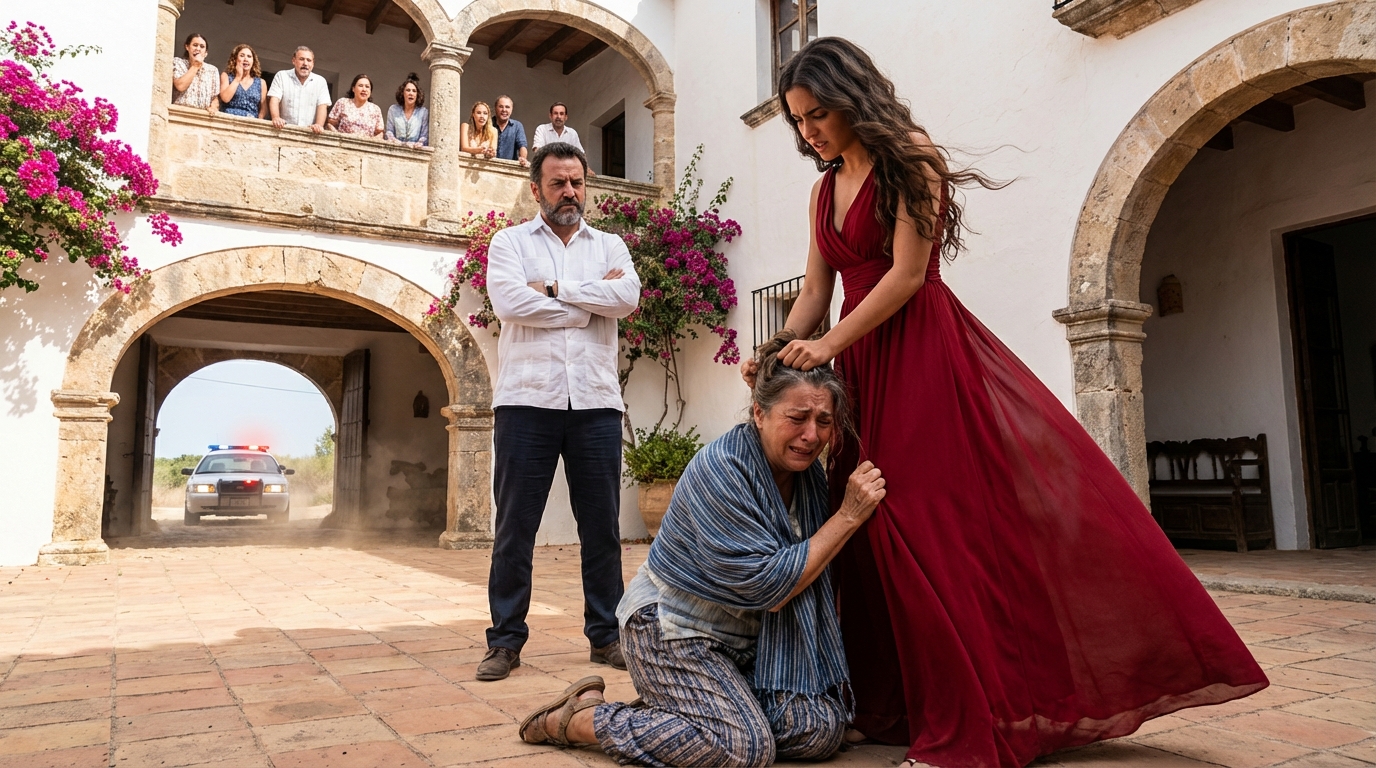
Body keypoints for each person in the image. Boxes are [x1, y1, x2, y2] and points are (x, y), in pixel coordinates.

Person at [741, 37, 1269, 767]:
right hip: (856, 372)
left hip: (921, 351)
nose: (809, 133)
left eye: (818, 114)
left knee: (922, 519)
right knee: (863, 525)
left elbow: (906, 275)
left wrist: (825, 347)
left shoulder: (912, 159)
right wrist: (776, 352)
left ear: (852, 96)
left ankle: (973, 712)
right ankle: (893, 704)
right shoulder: (822, 187)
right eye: (798, 122)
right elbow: (812, 294)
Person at [517, 335, 887, 767]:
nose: (812, 435)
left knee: (815, 732)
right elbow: (768, 586)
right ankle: (584, 718)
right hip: (671, 628)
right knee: (744, 747)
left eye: (824, 421)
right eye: (798, 417)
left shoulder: (807, 478)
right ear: (759, 413)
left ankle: (696, 708)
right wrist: (846, 517)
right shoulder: (722, 468)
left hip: (746, 639)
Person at [478, 142, 641, 682]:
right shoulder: (509, 243)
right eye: (557, 183)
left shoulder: (611, 244)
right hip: (528, 401)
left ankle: (605, 637)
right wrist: (588, 306)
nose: (569, 192)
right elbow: (508, 303)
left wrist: (553, 289)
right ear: (536, 190)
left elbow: (628, 298)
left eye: (576, 182)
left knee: (601, 528)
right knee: (514, 528)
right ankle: (504, 642)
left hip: (594, 403)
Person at [268, 46, 330, 133]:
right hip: (284, 130)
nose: (305, 63)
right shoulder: (282, 76)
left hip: (309, 133)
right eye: (301, 59)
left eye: (309, 60)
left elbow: (322, 106)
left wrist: (319, 125)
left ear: (313, 63)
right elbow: (274, 99)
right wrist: (276, 117)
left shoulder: (320, 81)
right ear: (293, 60)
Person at [171, 33, 219, 114]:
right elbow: (180, 86)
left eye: (202, 46)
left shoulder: (213, 70)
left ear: (206, 52)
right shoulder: (178, 62)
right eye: (195, 45)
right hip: (181, 113)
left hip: (203, 116)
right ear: (187, 47)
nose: (198, 49)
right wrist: (195, 66)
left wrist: (213, 107)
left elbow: (214, 97)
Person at [217, 44, 266, 120]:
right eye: (242, 55)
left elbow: (263, 108)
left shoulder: (261, 82)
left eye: (249, 56)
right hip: (228, 120)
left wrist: (259, 123)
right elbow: (225, 98)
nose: (246, 59)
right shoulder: (226, 76)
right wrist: (238, 77)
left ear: (253, 61)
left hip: (251, 122)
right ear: (235, 59)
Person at [327, 74, 383, 138]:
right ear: (353, 89)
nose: (364, 89)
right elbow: (330, 124)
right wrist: (339, 138)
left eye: (367, 87)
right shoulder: (343, 103)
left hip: (366, 147)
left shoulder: (375, 109)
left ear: (370, 91)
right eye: (360, 86)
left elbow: (380, 133)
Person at [385, 73, 429, 147]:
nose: (411, 93)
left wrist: (418, 144)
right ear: (403, 93)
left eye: (414, 91)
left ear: (417, 94)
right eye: (408, 90)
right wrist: (398, 143)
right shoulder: (393, 110)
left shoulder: (423, 112)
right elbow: (389, 132)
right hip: (396, 149)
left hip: (415, 151)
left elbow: (424, 136)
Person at [491, 94, 529, 167]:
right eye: (501, 106)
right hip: (489, 167)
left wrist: (523, 159)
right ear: (495, 108)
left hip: (508, 169)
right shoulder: (488, 124)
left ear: (511, 109)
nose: (504, 110)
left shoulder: (517, 126)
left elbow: (522, 146)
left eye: (507, 107)